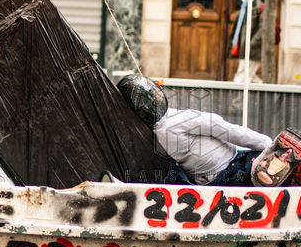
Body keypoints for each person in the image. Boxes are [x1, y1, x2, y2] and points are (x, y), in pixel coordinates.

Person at [117, 74, 272, 185]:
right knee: (266, 159)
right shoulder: (176, 122)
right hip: (229, 169)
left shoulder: (146, 132)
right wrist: (268, 145)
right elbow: (228, 130)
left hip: (211, 174)